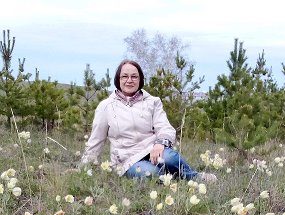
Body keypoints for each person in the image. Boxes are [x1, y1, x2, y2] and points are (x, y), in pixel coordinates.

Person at [80, 60, 216, 182]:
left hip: (153, 150)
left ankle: (193, 177)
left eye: (134, 76)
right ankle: (172, 179)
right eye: (125, 76)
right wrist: (84, 168)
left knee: (171, 158)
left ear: (140, 80)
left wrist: (160, 144)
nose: (129, 80)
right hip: (127, 160)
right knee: (152, 174)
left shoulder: (153, 102)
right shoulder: (106, 106)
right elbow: (96, 140)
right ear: (118, 79)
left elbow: (165, 128)